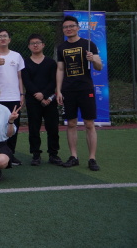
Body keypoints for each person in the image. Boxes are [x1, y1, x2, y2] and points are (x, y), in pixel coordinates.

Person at [56, 15, 103, 171]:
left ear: (78, 27)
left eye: (71, 26)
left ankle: (92, 158)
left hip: (85, 88)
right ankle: (73, 156)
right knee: (71, 124)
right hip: (68, 90)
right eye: (65, 27)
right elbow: (60, 69)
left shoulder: (88, 44)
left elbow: (99, 67)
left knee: (89, 124)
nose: (68, 29)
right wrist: (58, 90)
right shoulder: (61, 47)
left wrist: (93, 59)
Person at [0, 29, 24, 165]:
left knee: (13, 126)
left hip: (14, 97)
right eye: (0, 36)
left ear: (9, 40)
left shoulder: (17, 56)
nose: (2, 38)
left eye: (5, 36)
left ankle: (11, 154)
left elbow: (20, 77)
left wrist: (21, 94)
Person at [22, 34, 62, 166]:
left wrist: (44, 95)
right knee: (34, 128)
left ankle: (53, 154)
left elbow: (53, 81)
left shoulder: (51, 62)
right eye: (32, 43)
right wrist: (37, 95)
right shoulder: (25, 63)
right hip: (33, 100)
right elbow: (26, 81)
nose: (35, 45)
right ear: (29, 46)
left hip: (49, 100)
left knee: (53, 128)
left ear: (43, 45)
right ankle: (36, 154)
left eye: (38, 42)